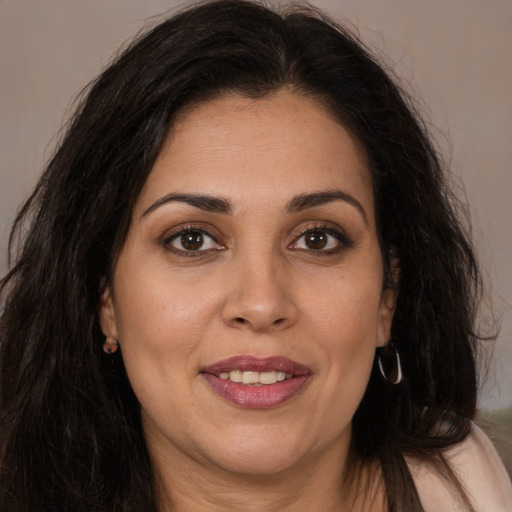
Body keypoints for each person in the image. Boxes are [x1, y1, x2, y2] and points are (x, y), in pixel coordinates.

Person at [0, 0, 510, 510]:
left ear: (387, 297)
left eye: (317, 239)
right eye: (192, 239)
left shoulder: (468, 487)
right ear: (104, 297)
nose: (262, 303)